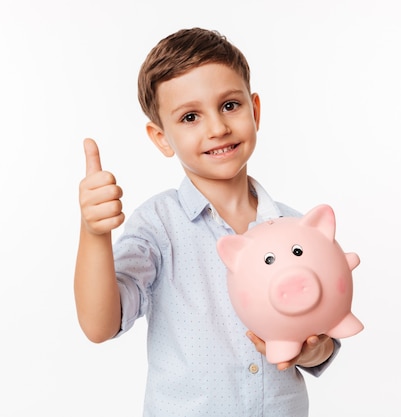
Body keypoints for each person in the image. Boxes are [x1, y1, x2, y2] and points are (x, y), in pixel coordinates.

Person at [74, 27, 341, 416]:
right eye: (190, 116)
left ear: (255, 111)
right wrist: (94, 233)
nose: (217, 127)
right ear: (161, 138)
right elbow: (100, 325)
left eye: (230, 106)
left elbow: (323, 334)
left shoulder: (296, 227)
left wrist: (316, 349)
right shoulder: (159, 224)